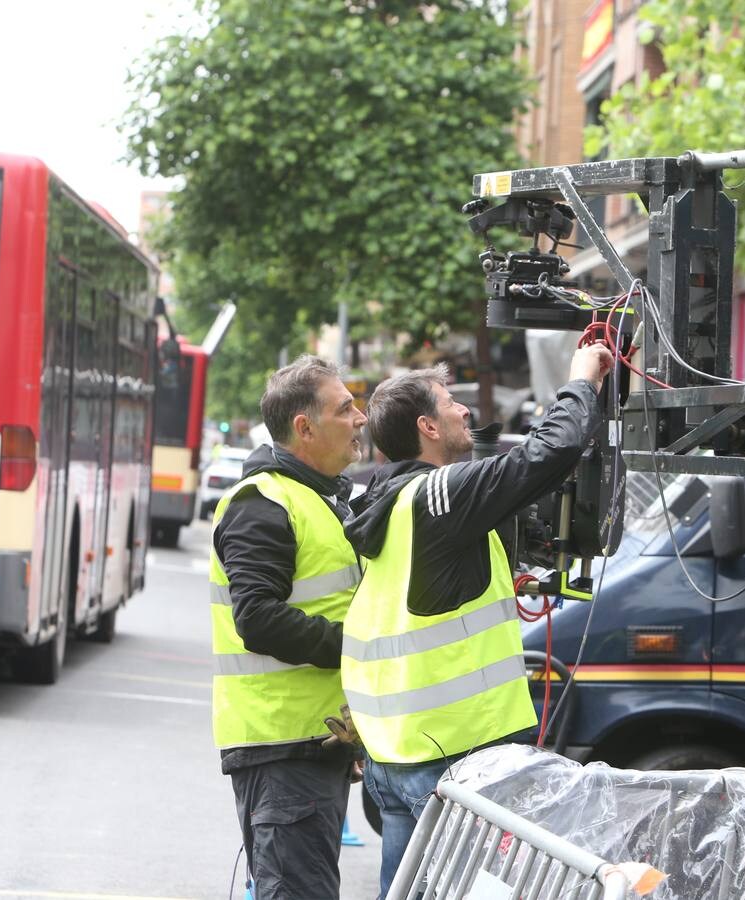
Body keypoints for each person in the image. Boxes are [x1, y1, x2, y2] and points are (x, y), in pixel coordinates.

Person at [340, 344, 612, 896]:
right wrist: (582, 379)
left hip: (396, 752)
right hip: (450, 756)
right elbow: (550, 452)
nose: (465, 411)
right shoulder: (438, 494)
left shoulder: (387, 500)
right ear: (427, 426)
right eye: (451, 403)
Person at [208, 355, 368, 900]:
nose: (361, 418)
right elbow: (256, 617)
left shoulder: (317, 499)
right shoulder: (264, 503)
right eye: (345, 408)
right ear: (305, 427)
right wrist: (359, 651)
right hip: (283, 748)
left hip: (310, 745)